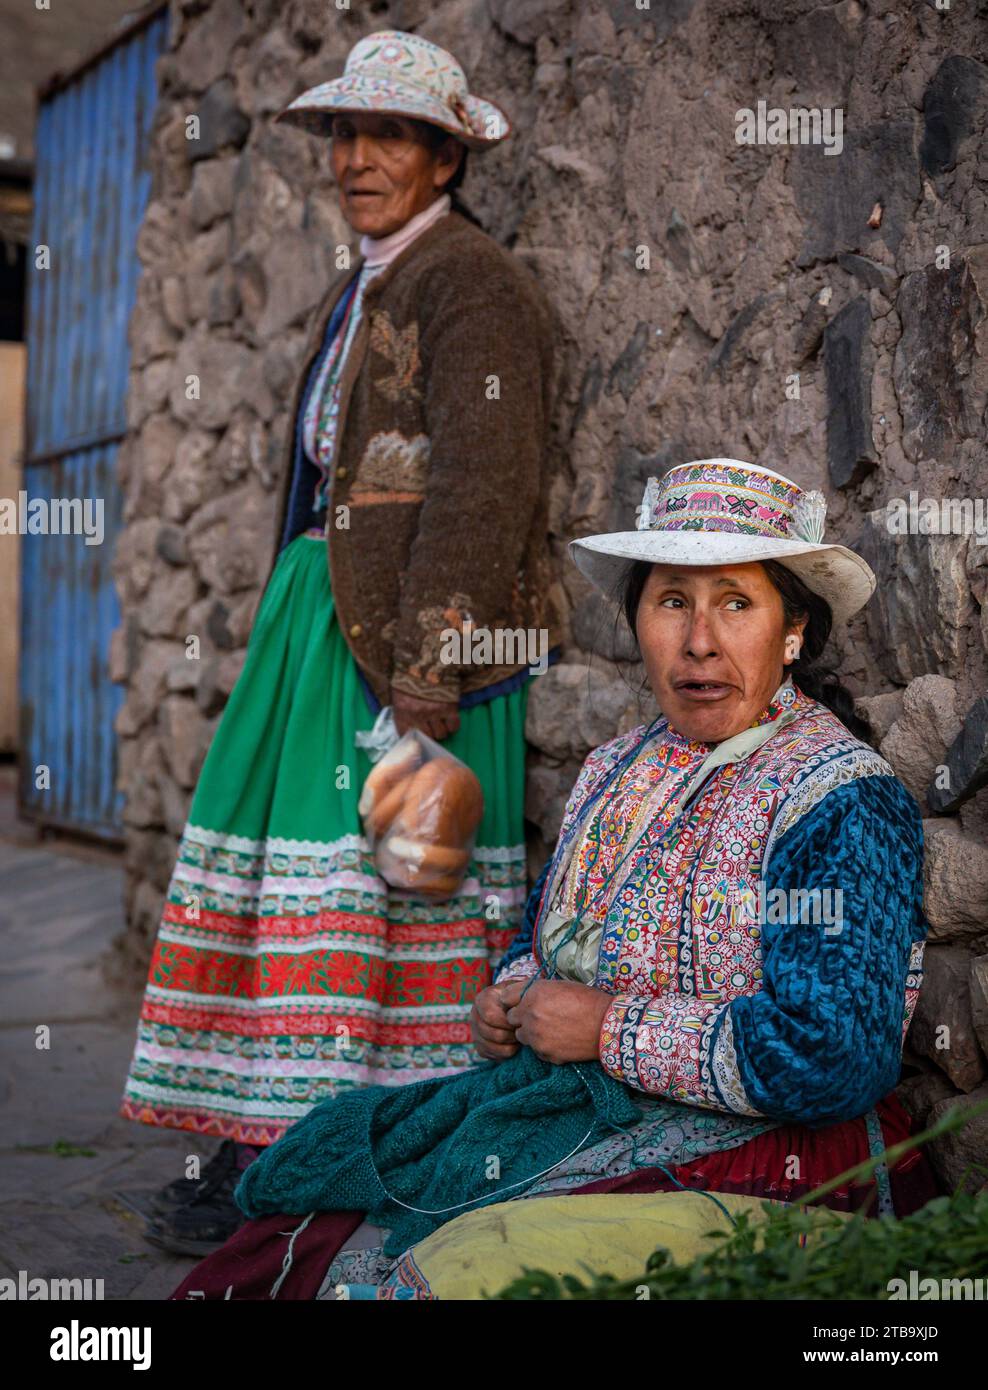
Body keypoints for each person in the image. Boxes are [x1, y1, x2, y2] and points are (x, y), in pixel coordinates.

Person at [168, 458, 938, 1300]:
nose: (700, 641)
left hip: (762, 1157)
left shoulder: (836, 799)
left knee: (450, 1273)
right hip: (566, 1107)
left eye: (736, 604)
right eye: (673, 601)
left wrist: (609, 1030)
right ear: (638, 619)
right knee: (295, 1230)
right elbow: (551, 939)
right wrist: (511, 999)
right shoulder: (616, 769)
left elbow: (838, 1055)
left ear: (792, 632)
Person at [119, 28, 561, 1255]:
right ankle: (272, 1137)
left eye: (390, 136)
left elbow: (485, 485)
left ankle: (345, 1149)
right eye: (345, 135)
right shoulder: (368, 280)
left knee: (375, 894)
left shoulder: (472, 287)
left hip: (402, 642)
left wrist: (427, 677)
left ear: (444, 157)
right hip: (321, 622)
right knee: (291, 889)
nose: (358, 158)